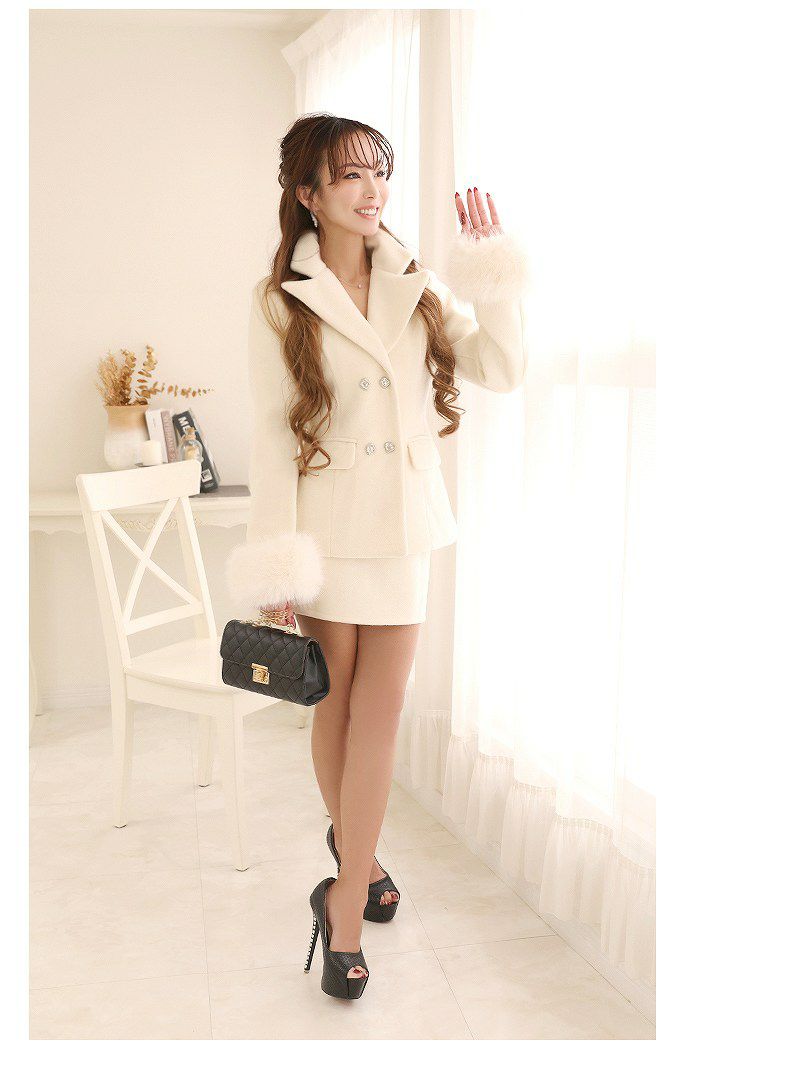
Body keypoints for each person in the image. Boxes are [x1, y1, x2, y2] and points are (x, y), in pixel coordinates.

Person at [225, 113, 530, 999]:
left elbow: (502, 367)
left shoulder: (416, 281)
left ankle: (345, 887)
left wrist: (491, 271)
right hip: (328, 536)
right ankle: (355, 870)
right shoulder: (278, 300)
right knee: (337, 709)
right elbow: (274, 437)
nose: (371, 190)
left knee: (381, 714)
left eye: (378, 171)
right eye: (349, 175)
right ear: (308, 193)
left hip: (403, 529)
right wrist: (277, 567)